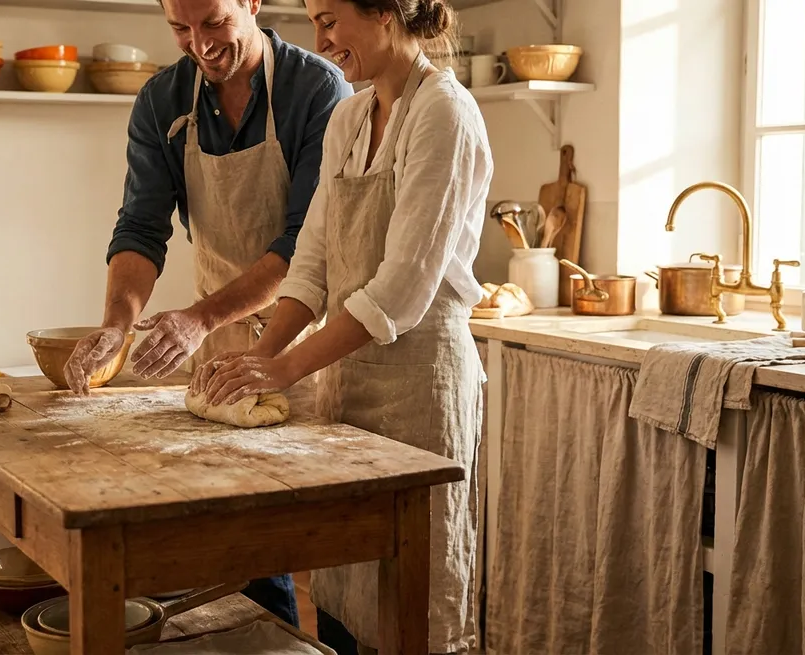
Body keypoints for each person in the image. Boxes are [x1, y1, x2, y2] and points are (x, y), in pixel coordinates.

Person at [193, 0, 492, 652]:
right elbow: (312, 268)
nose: (320, 40)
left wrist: (288, 365)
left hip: (422, 394)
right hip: (346, 394)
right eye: (312, 21)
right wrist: (259, 364)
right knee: (343, 603)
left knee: (414, 601)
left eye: (330, 18)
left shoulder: (444, 113)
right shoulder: (349, 118)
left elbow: (401, 291)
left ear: (385, 11)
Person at [63, 0, 353, 628]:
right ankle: (254, 638)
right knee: (237, 535)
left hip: (306, 333)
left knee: (326, 543)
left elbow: (307, 245)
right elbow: (141, 228)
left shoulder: (316, 88)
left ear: (251, 3)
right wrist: (116, 323)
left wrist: (198, 317)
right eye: (179, 28)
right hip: (218, 331)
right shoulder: (162, 100)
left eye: (214, 22)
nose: (198, 43)